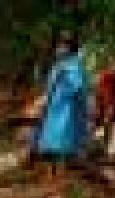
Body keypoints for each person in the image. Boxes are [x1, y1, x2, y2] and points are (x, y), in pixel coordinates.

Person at [32, 32, 90, 165]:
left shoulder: (74, 66)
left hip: (68, 108)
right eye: (58, 47)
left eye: (62, 47)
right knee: (52, 134)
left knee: (65, 135)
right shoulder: (58, 65)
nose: (59, 50)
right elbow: (50, 85)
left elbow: (79, 87)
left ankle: (66, 161)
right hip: (55, 106)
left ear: (69, 48)